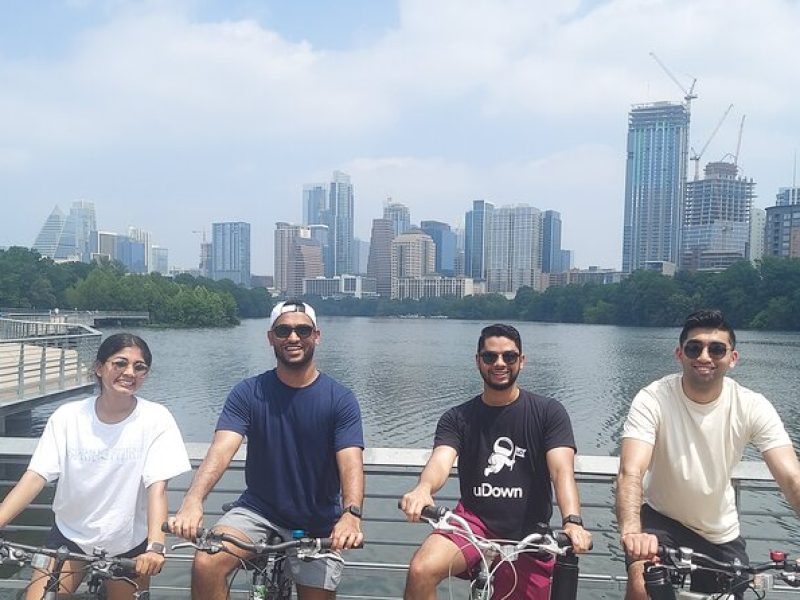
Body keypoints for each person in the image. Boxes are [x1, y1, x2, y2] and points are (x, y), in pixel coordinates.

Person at [169, 299, 365, 600]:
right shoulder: (249, 392)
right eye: (283, 330)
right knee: (207, 561)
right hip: (257, 511)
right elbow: (222, 449)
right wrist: (193, 500)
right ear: (271, 337)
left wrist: (351, 514)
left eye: (302, 330)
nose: (293, 337)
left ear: (316, 335)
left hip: (318, 520)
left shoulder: (340, 399)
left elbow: (350, 462)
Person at [616, 309, 800, 600]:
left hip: (720, 532)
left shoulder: (752, 405)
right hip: (661, 521)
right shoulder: (653, 398)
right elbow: (631, 471)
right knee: (641, 582)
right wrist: (631, 533)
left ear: (732, 358)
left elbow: (791, 477)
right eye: (694, 347)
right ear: (679, 354)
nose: (704, 356)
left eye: (716, 349)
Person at [399, 323, 592, 600]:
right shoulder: (458, 417)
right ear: (478, 361)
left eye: (509, 356)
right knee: (421, 569)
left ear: (521, 361)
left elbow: (562, 472)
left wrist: (572, 521)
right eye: (490, 357)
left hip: (528, 534)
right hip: (472, 525)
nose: (499, 363)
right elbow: (441, 461)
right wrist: (423, 489)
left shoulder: (548, 412)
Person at [0, 333, 191, 600]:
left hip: (128, 542)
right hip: (70, 536)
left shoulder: (156, 419)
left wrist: (156, 547)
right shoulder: (68, 417)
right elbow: (35, 477)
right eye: (120, 363)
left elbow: (157, 489)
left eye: (139, 367)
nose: (129, 372)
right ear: (99, 368)